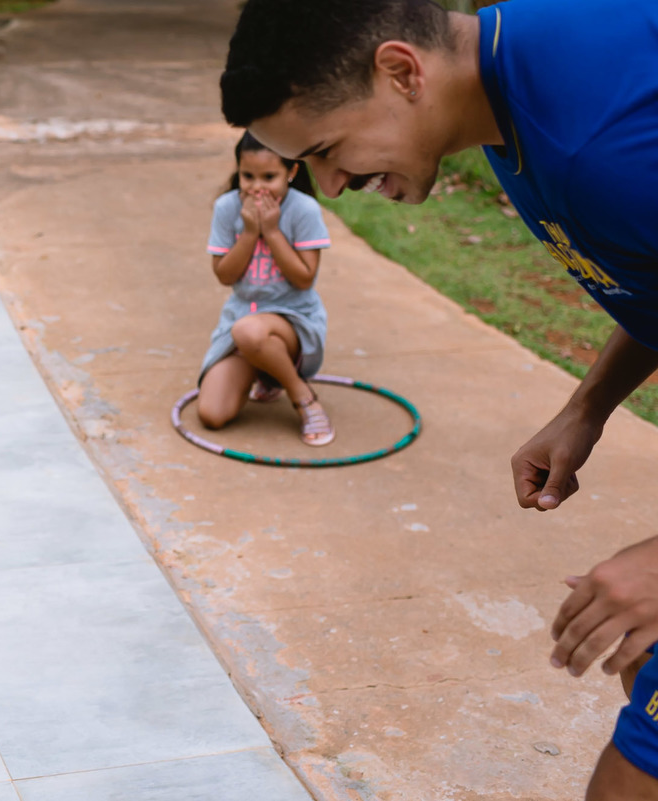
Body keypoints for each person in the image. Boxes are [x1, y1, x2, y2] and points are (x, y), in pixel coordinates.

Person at [221, 0, 658, 797]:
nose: (332, 186)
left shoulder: (603, 142)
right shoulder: (508, 93)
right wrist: (589, 405)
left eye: (326, 151)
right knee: (640, 657)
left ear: (401, 71)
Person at [198, 131, 334, 446]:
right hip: (242, 320)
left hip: (294, 320)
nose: (257, 187)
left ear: (292, 171)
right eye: (248, 176)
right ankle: (266, 372)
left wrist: (271, 231)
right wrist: (249, 233)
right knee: (212, 414)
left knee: (249, 331)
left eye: (269, 177)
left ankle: (304, 398)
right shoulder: (227, 207)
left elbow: (304, 279)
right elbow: (224, 276)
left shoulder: (303, 209)